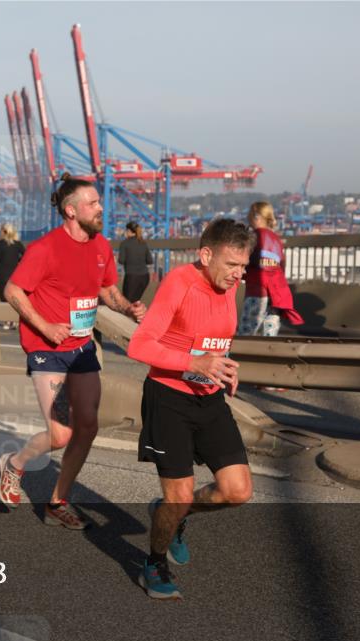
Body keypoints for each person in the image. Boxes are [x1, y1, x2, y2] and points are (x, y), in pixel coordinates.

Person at [0, 174, 146, 529]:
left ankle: (56, 502)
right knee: (61, 433)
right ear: (71, 210)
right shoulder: (44, 249)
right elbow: (12, 291)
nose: (100, 208)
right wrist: (45, 326)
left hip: (80, 348)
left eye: (99, 202)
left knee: (88, 427)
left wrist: (127, 308)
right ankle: (15, 464)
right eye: (92, 203)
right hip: (46, 348)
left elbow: (108, 288)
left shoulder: (101, 247)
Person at [127, 218, 256, 600]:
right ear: (205, 255)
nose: (238, 273)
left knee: (238, 491)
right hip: (168, 398)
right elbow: (139, 347)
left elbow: (213, 342)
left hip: (209, 398)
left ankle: (176, 517)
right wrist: (194, 364)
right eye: (232, 264)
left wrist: (225, 367)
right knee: (178, 495)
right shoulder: (180, 283)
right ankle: (154, 563)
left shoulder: (232, 288)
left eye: (243, 265)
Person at [236, 201, 302, 339]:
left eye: (249, 213)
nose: (247, 217)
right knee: (269, 336)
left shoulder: (253, 236)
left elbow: (247, 261)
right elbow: (281, 265)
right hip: (276, 294)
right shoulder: (276, 239)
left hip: (257, 290)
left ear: (256, 216)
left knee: (246, 334)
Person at [0, 223, 26, 330]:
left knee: (4, 297)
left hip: (3, 275)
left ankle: (7, 321)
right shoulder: (17, 244)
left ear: (4, 231)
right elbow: (26, 255)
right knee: (14, 298)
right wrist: (17, 261)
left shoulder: (0, 244)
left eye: (1, 230)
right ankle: (14, 321)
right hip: (15, 275)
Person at [118, 221, 153, 303]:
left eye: (126, 230)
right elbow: (150, 261)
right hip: (144, 277)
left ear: (129, 231)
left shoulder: (124, 244)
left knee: (127, 303)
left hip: (131, 277)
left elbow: (121, 261)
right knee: (136, 301)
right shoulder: (143, 243)